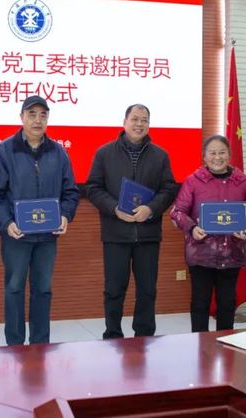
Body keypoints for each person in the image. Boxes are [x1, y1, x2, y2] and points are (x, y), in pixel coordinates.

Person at [0, 95, 80, 346]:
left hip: (47, 237)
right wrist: (6, 223)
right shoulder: (5, 150)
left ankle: (40, 344)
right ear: (22, 117)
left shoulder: (58, 152)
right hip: (16, 235)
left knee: (43, 290)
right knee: (14, 288)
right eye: (32, 114)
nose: (38, 120)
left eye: (43, 115)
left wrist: (65, 215)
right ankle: (15, 345)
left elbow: (70, 191)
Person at [85, 103, 178, 339]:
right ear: (124, 122)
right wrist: (114, 209)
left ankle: (144, 337)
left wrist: (151, 209)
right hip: (115, 233)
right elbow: (93, 188)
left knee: (147, 290)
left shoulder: (160, 155)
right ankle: (113, 334)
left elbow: (169, 189)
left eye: (144, 120)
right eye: (135, 119)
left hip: (148, 234)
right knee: (114, 289)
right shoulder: (104, 153)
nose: (139, 124)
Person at [170, 134, 246, 332]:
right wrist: (192, 228)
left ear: (229, 155)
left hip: (232, 255)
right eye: (212, 153)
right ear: (204, 156)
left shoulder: (243, 182)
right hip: (201, 255)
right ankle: (199, 345)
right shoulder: (193, 181)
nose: (217, 157)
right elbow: (177, 212)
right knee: (200, 304)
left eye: (222, 152)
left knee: (227, 305)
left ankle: (225, 345)